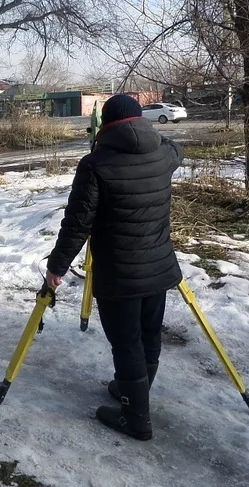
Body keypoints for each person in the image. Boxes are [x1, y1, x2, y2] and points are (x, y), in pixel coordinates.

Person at [44, 93, 184, 441]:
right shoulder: (164, 153)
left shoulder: (95, 164)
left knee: (127, 344)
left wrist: (56, 268)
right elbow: (174, 147)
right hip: (158, 266)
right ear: (140, 121)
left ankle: (135, 416)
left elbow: (78, 224)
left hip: (120, 274)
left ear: (104, 125)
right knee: (149, 336)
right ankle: (133, 390)